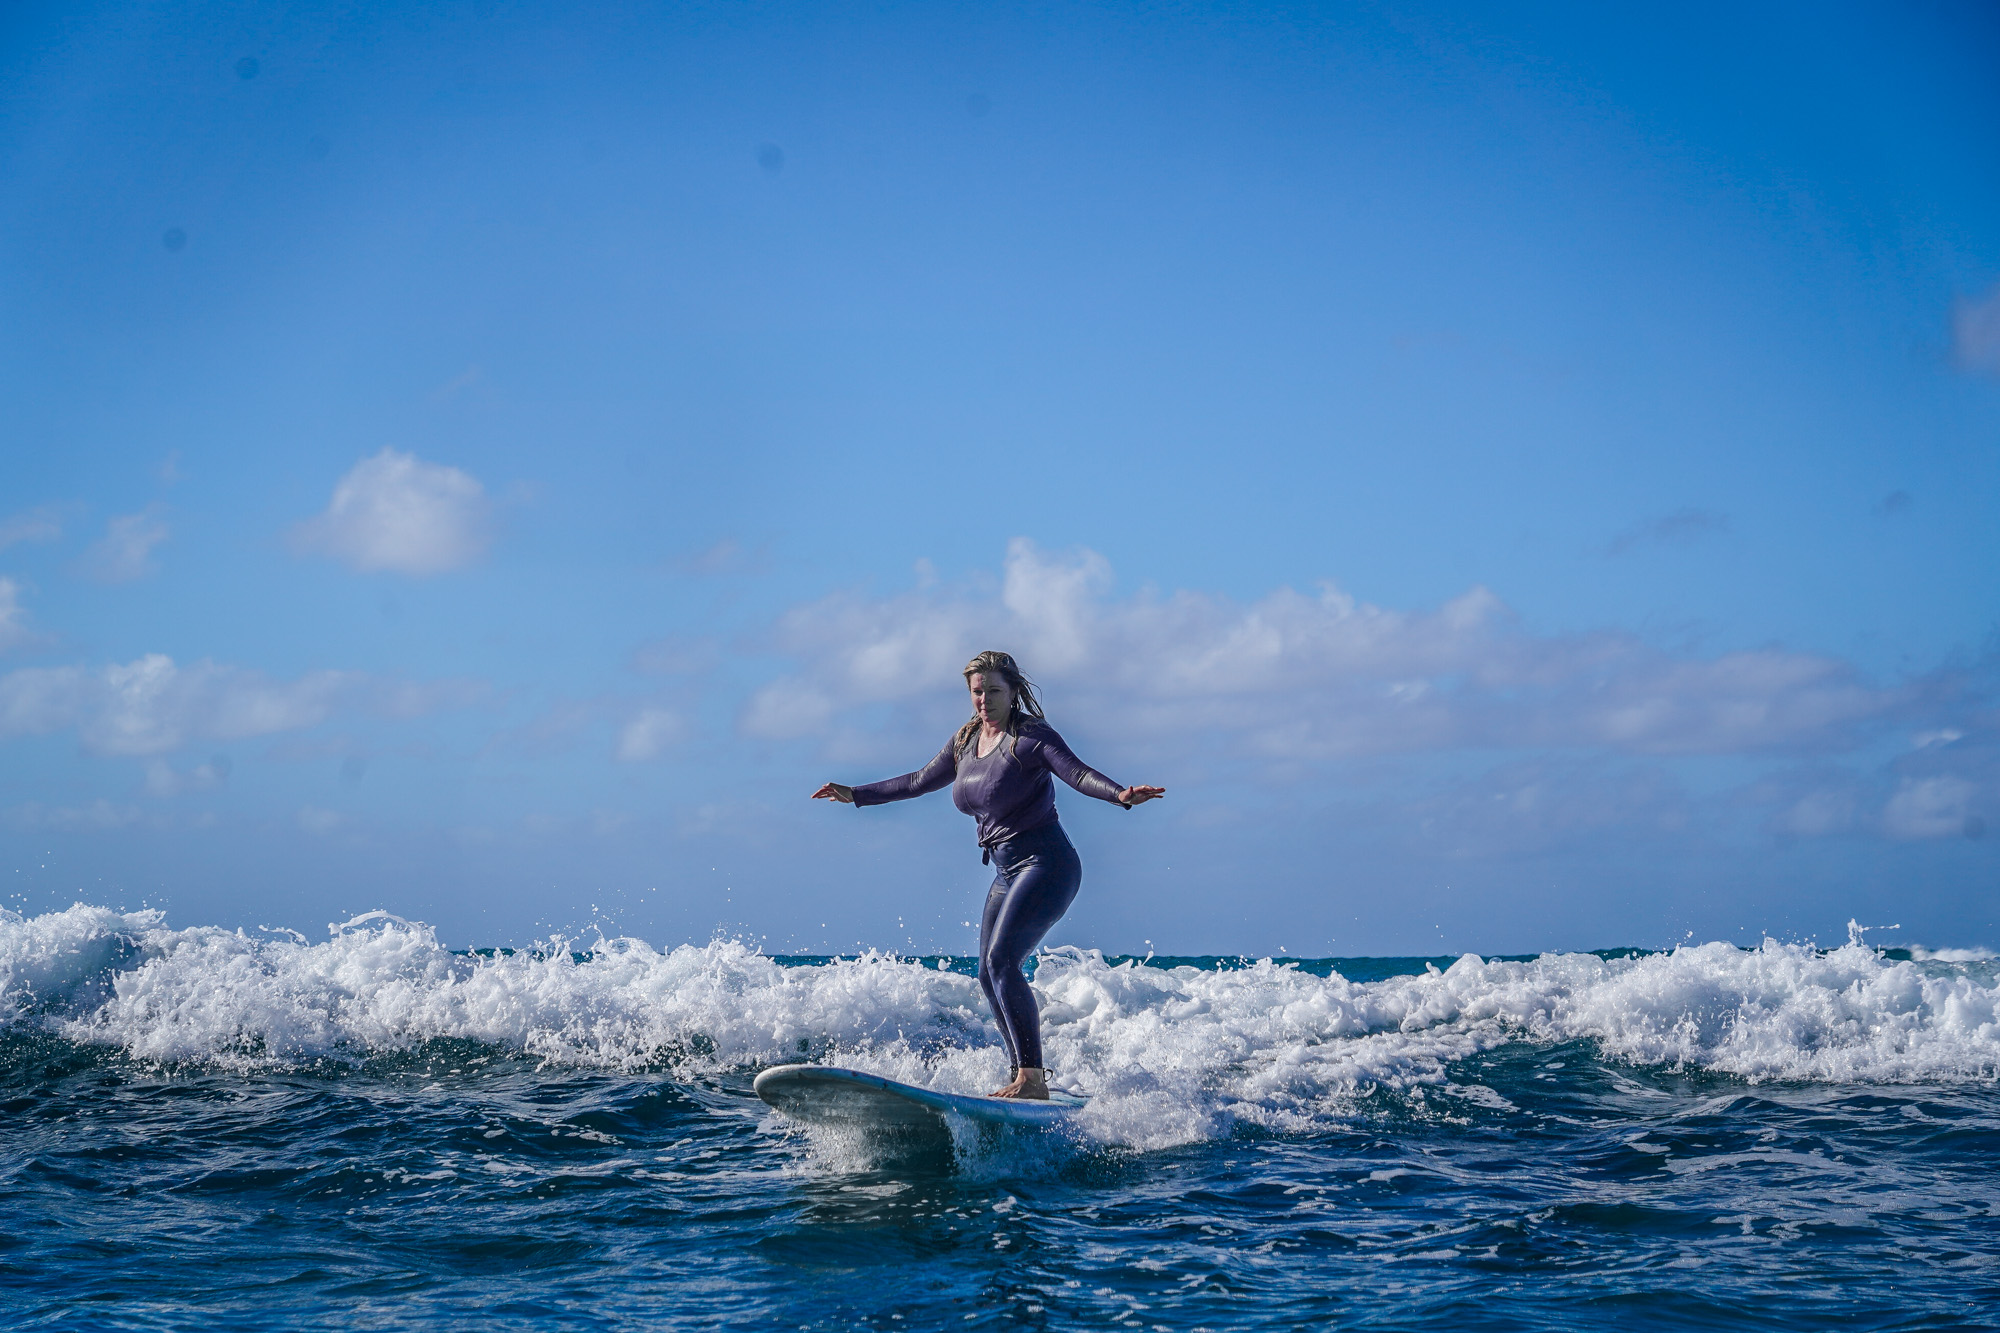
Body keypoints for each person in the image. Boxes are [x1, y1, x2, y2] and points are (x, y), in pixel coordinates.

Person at [812, 650, 1165, 1100]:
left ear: (1013, 691)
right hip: (1004, 870)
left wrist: (1120, 795)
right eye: (977, 692)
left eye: (993, 691)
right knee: (986, 971)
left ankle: (1033, 1080)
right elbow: (919, 780)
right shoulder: (965, 741)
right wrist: (855, 794)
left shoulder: (1030, 737)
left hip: (1047, 863)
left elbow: (1077, 774)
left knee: (1003, 962)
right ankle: (1022, 1074)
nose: (983, 700)